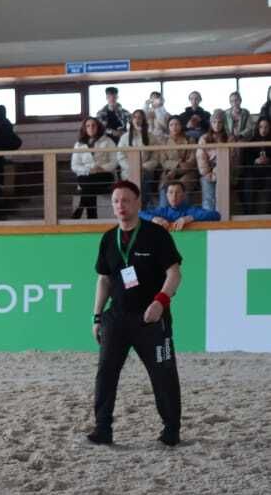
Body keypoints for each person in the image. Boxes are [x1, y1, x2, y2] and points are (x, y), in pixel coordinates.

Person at [89, 180, 182, 447]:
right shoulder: (108, 238)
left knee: (163, 373)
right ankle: (102, 429)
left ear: (138, 203)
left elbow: (174, 273)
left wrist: (160, 301)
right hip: (116, 319)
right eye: (116, 201)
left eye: (126, 200)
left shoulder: (156, 234)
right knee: (105, 374)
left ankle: (171, 430)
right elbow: (104, 280)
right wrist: (97, 316)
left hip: (152, 319)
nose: (120, 206)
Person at [70, 117, 117, 219]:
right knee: (87, 185)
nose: (91, 128)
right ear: (84, 128)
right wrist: (88, 170)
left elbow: (114, 161)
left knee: (87, 188)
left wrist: (101, 168)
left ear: (98, 127)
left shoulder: (108, 141)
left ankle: (81, 210)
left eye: (93, 125)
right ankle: (91, 217)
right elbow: (74, 166)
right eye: (88, 126)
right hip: (86, 176)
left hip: (103, 175)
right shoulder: (79, 144)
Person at [117, 109, 161, 200]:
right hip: (128, 170)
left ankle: (143, 206)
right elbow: (120, 156)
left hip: (145, 169)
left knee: (143, 177)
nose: (137, 119)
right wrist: (133, 167)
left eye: (140, 117)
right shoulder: (125, 137)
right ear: (132, 120)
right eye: (135, 117)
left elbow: (156, 157)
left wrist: (143, 166)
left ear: (144, 120)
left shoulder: (151, 137)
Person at [141, 181, 220, 229]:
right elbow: (139, 214)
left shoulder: (190, 210)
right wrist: (154, 218)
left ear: (183, 195)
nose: (174, 196)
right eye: (171, 192)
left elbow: (216, 215)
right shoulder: (162, 211)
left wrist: (189, 218)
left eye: (178, 192)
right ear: (166, 195)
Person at [157, 116, 198, 206]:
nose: (174, 127)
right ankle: (163, 212)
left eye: (177, 124)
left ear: (181, 126)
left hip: (187, 172)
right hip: (169, 171)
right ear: (168, 127)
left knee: (182, 187)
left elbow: (192, 161)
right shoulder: (164, 141)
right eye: (171, 125)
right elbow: (163, 161)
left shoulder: (190, 140)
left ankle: (184, 214)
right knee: (164, 186)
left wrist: (176, 170)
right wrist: (177, 165)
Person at [195, 111, 229, 212]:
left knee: (223, 200)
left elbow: (232, 157)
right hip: (208, 173)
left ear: (224, 124)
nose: (217, 125)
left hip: (225, 173)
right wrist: (207, 173)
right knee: (208, 199)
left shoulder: (230, 138)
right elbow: (201, 157)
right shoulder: (204, 138)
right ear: (211, 123)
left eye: (219, 122)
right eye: (214, 122)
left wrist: (217, 172)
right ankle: (208, 221)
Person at [239, 117, 271, 216]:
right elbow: (246, 161)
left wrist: (269, 160)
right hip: (254, 173)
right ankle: (248, 214)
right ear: (257, 128)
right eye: (261, 127)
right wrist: (255, 161)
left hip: (268, 173)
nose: (263, 129)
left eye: (266, 127)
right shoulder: (251, 142)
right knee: (247, 181)